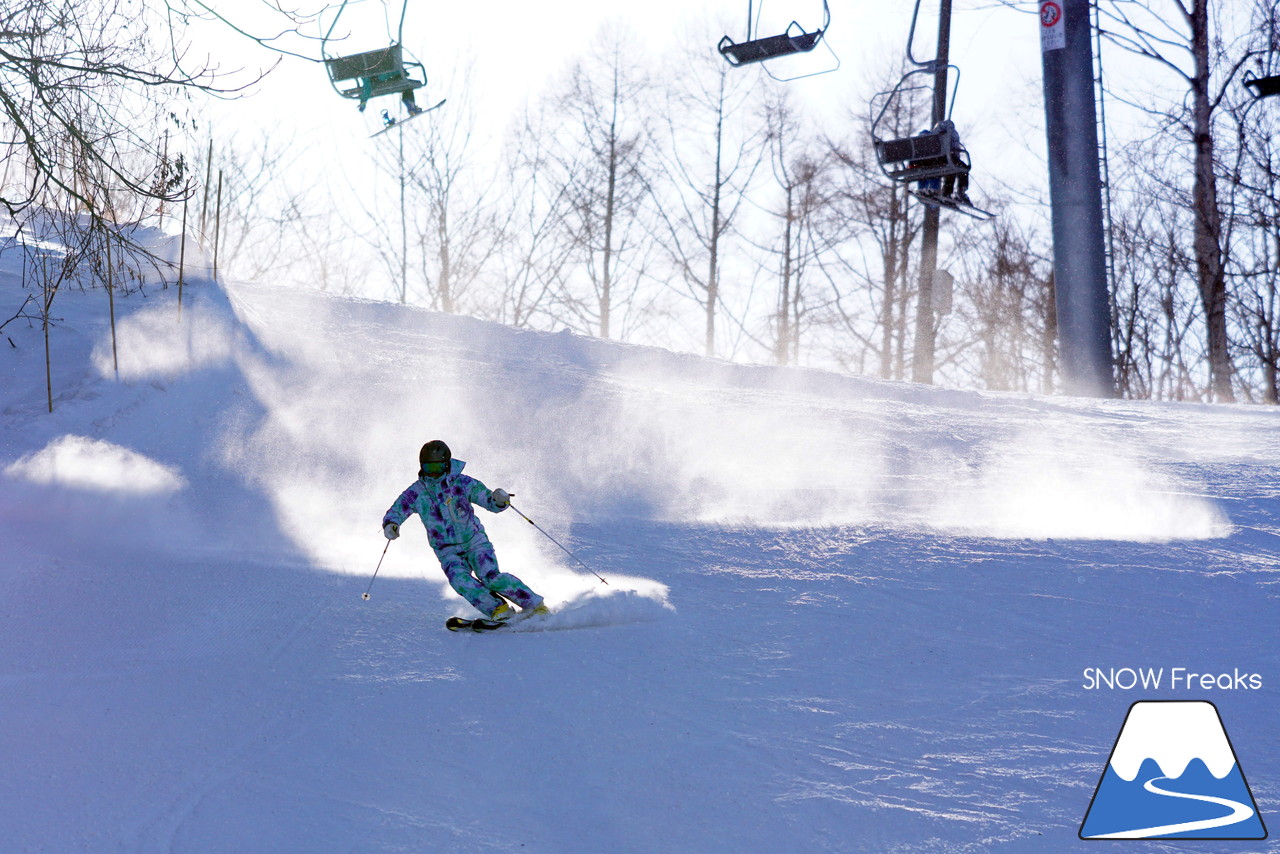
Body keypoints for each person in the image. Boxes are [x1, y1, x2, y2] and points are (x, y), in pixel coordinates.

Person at [382, 440, 548, 621]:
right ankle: (499, 610)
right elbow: (398, 509)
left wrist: (500, 499)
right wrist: (391, 523)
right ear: (422, 467)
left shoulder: (462, 483)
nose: (434, 473)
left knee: (490, 576)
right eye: (429, 468)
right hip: (446, 550)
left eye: (438, 467)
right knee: (459, 580)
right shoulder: (417, 492)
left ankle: (534, 605)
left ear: (447, 465)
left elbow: (489, 501)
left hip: (474, 542)